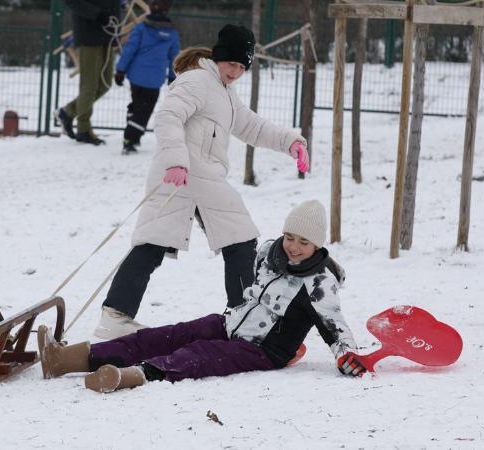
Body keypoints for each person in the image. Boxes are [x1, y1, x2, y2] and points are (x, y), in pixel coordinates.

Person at [92, 24, 310, 340]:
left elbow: (252, 127)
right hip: (179, 175)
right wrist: (176, 160)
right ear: (219, 57)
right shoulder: (197, 81)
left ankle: (242, 314)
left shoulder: (225, 91)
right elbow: (168, 117)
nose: (236, 72)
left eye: (242, 67)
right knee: (155, 243)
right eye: (231, 63)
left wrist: (291, 142)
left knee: (238, 238)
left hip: (203, 179)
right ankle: (116, 316)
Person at [39, 200, 369, 393]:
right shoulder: (270, 253)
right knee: (167, 335)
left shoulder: (319, 284)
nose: (294, 246)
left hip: (263, 351)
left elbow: (334, 326)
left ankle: (129, 376)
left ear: (317, 245)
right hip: (230, 324)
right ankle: (67, 360)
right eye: (290, 237)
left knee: (200, 354)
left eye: (304, 242)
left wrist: (347, 358)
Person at [113, 0, 179, 155]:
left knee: (137, 105)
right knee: (144, 111)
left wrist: (120, 70)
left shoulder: (142, 28)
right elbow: (174, 57)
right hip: (154, 80)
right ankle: (130, 139)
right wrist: (172, 76)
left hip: (136, 76)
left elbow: (129, 49)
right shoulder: (172, 33)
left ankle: (132, 126)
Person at [55, 0, 121, 146]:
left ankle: (68, 112)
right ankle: (83, 129)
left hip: (108, 35)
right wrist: (97, 14)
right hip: (89, 35)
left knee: (104, 84)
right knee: (89, 87)